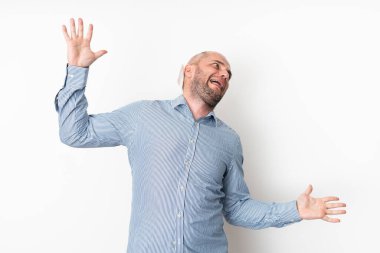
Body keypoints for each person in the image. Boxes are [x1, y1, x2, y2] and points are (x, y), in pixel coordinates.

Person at [55, 18, 347, 253]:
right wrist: (77, 71)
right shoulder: (142, 116)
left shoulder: (229, 141)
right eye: (217, 66)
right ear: (189, 71)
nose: (224, 75)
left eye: (229, 74)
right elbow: (75, 133)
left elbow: (237, 208)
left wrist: (294, 210)